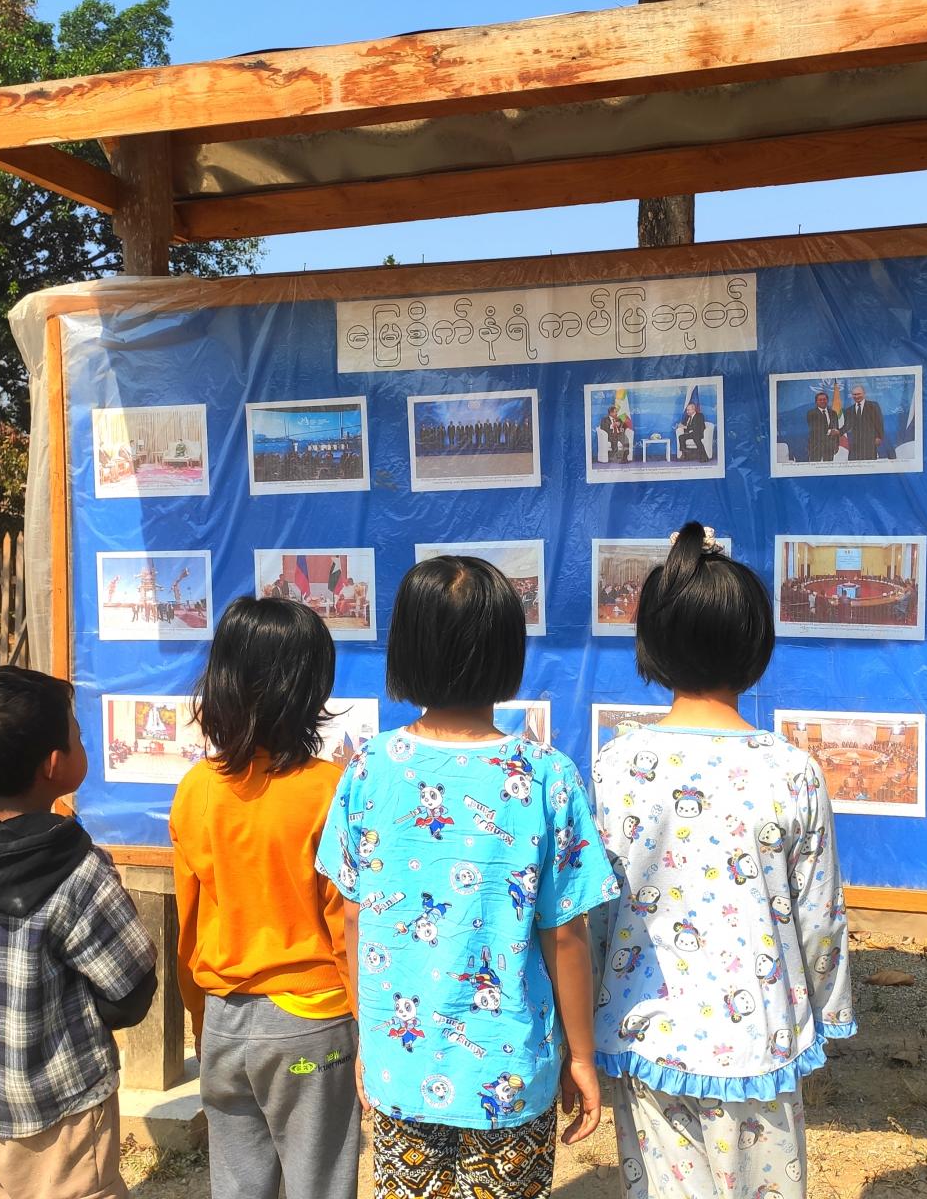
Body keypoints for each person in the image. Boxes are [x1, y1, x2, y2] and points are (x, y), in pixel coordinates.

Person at [316, 556, 618, 1199]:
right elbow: (566, 934)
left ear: (405, 648)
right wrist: (581, 1056)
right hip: (510, 1068)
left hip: (401, 1061)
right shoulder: (546, 776)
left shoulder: (368, 769)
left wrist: (370, 1037)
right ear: (508, 650)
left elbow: (352, 917)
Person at [591, 522, 853, 1199]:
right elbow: (820, 917)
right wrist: (828, 1011)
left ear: (651, 641)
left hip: (645, 1040)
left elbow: (596, 912)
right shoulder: (792, 771)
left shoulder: (616, 766)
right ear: (756, 642)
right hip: (758, 1043)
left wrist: (585, 1013)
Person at [0, 667, 157, 1199]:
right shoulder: (80, 873)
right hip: (69, 1100)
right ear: (55, 765)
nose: (82, 741)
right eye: (77, 734)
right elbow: (130, 992)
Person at [172, 597, 359, 1199]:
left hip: (224, 1020)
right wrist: (368, 1025)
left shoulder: (196, 788)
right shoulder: (329, 789)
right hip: (313, 1024)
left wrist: (200, 1015)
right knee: (321, 1182)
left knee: (237, 1184)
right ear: (309, 689)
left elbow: (188, 919)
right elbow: (346, 923)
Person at [840, 384, 884, 461]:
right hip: (855, 444)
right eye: (854, 394)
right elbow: (847, 426)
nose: (856, 396)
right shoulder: (849, 410)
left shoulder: (873, 406)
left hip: (870, 443)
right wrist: (838, 432)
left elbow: (879, 422)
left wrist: (879, 437)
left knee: (869, 464)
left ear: (864, 394)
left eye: (858, 394)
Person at [806, 389, 839, 462]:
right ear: (816, 402)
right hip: (816, 446)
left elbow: (836, 429)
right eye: (820, 400)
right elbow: (815, 428)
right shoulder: (811, 413)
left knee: (828, 466)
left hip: (830, 447)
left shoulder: (833, 413)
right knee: (815, 466)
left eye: (824, 399)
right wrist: (830, 431)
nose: (822, 401)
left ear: (827, 400)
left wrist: (836, 445)